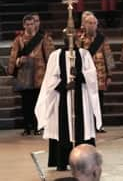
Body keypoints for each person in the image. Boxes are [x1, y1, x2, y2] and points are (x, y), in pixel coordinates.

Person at [35, 35, 102, 171]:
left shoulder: (84, 54)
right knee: (63, 128)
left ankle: (85, 161)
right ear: (64, 40)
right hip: (62, 99)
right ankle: (62, 161)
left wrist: (79, 76)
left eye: (73, 38)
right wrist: (64, 86)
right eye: (67, 38)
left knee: (81, 128)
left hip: (81, 98)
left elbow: (92, 75)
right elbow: (50, 79)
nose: (70, 41)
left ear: (76, 40)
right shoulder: (56, 55)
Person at [7, 14, 55, 135]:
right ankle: (27, 127)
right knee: (26, 103)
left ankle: (38, 126)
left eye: (32, 24)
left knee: (39, 102)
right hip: (25, 76)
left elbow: (49, 56)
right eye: (27, 24)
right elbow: (13, 57)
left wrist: (51, 73)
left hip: (40, 75)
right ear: (24, 25)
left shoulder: (42, 38)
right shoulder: (19, 40)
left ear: (35, 25)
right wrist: (18, 61)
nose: (30, 26)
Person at [76, 12, 115, 133]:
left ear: (97, 25)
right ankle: (87, 125)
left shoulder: (102, 39)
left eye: (93, 23)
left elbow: (108, 56)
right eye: (89, 23)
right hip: (85, 75)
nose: (91, 25)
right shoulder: (79, 40)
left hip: (100, 74)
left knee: (99, 101)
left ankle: (99, 124)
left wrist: (109, 75)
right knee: (85, 101)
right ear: (84, 25)